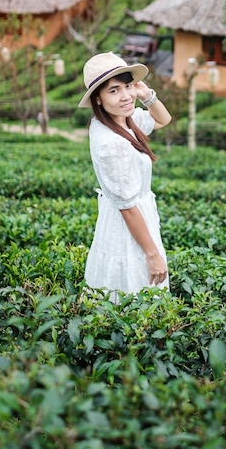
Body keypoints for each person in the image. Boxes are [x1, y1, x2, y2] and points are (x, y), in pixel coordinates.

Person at [78, 52, 171, 302]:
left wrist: (146, 95)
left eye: (127, 86)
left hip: (135, 218)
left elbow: (163, 120)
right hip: (128, 226)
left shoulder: (121, 121)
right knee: (133, 290)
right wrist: (152, 254)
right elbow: (128, 207)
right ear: (98, 98)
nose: (125, 96)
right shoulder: (112, 143)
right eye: (114, 90)